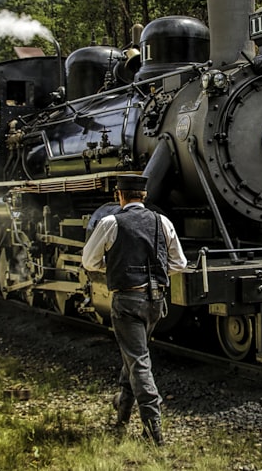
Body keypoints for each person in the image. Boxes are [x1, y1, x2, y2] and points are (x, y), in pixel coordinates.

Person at [81, 174, 187, 446]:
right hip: (156, 302)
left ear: (119, 196)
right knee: (134, 357)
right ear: (144, 196)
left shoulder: (109, 222)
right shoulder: (161, 222)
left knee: (138, 361)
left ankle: (154, 432)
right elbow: (180, 263)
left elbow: (89, 262)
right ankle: (121, 421)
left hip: (127, 302)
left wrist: (115, 266)